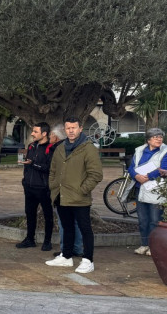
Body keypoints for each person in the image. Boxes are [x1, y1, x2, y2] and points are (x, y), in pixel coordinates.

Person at [46, 117, 103, 274]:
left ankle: (88, 260)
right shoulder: (60, 147)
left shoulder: (88, 148)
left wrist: (82, 190)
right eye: (68, 128)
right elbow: (53, 170)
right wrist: (53, 186)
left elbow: (96, 174)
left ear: (80, 128)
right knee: (67, 227)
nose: (70, 130)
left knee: (85, 229)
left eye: (73, 127)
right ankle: (66, 256)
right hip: (61, 195)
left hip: (79, 198)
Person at [129, 128, 167, 256]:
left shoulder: (166, 151)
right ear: (148, 140)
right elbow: (132, 166)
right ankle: (144, 244)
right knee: (143, 219)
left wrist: (147, 177)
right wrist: (136, 176)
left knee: (155, 219)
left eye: (160, 137)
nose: (159, 139)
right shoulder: (139, 150)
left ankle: (154, 246)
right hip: (140, 188)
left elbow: (165, 167)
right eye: (156, 137)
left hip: (156, 189)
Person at [17, 122, 55, 251]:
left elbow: (49, 168)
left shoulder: (51, 147)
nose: (32, 133)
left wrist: (33, 164)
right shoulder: (32, 146)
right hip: (29, 186)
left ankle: (47, 241)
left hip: (43, 188)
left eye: (35, 131)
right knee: (30, 213)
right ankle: (30, 239)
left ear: (44, 134)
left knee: (48, 214)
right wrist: (25, 181)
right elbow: (28, 165)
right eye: (32, 131)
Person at [48, 124, 82, 258]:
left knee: (65, 222)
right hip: (73, 189)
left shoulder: (59, 149)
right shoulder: (73, 147)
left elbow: (54, 170)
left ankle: (65, 250)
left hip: (65, 190)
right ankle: (76, 248)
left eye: (51, 135)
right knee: (75, 221)